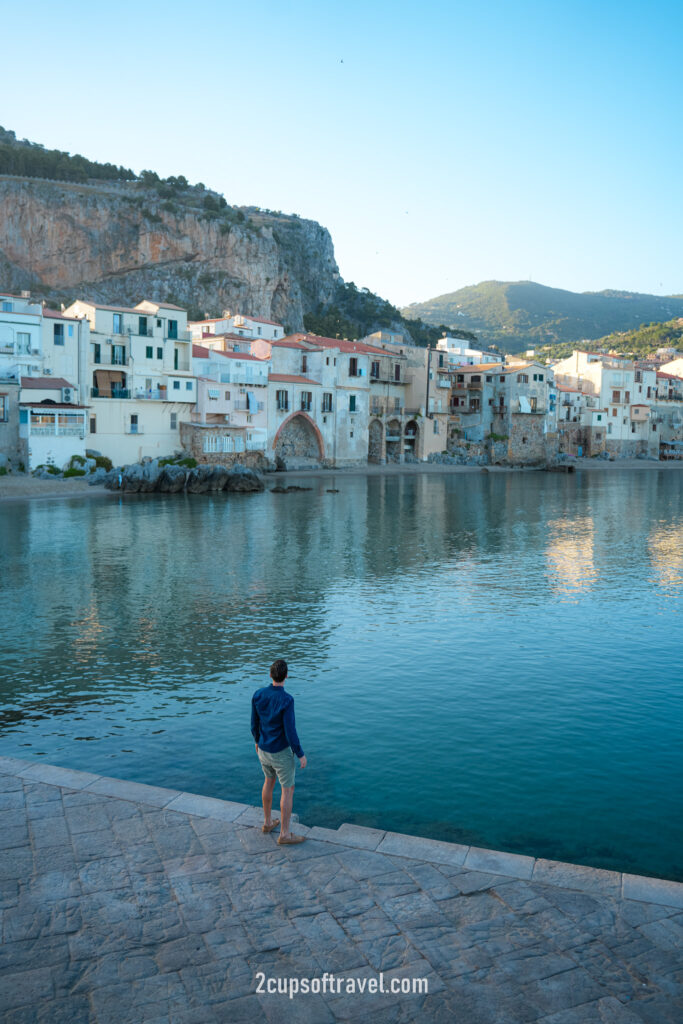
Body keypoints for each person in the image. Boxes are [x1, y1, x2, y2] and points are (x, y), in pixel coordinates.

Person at [251, 659, 307, 845]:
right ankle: (284, 834)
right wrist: (300, 754)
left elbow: (254, 724)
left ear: (270, 675)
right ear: (286, 676)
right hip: (280, 753)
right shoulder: (287, 700)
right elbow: (290, 731)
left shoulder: (258, 694)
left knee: (268, 781)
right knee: (288, 790)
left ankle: (267, 823)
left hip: (263, 749)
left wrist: (257, 741)